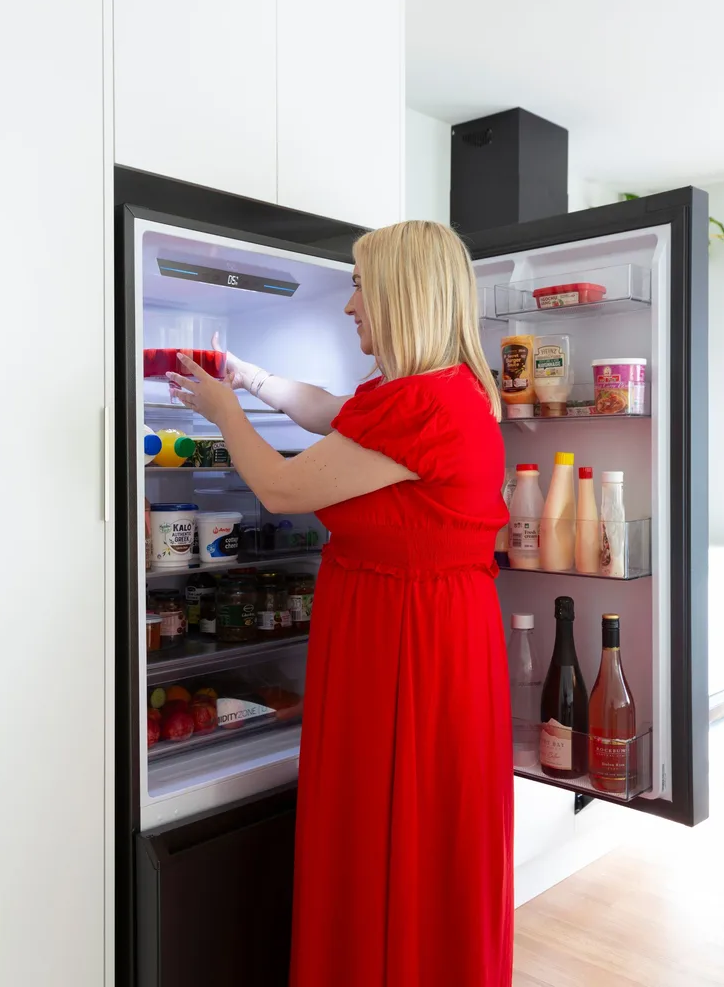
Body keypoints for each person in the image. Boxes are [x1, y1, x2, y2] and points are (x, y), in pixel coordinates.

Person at [168, 220, 514, 987]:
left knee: (396, 827)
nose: (350, 305)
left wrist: (224, 413)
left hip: (408, 644)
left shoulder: (424, 402)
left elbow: (282, 488)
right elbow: (327, 409)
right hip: (428, 631)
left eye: (361, 286)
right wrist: (249, 378)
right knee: (423, 835)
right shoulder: (436, 391)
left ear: (400, 294)